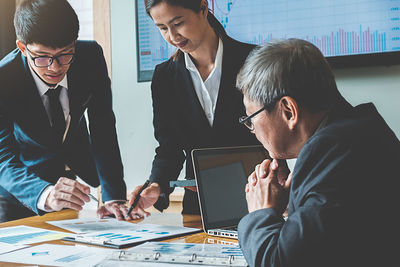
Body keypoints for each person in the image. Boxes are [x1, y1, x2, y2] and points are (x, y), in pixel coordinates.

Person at [235, 39, 400, 267]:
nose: (251, 130)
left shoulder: (331, 151)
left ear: (288, 110)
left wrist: (261, 212)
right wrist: (292, 206)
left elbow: (276, 263)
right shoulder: (360, 129)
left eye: (251, 119)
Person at [0, 0, 131, 222]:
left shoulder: (90, 58)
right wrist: (44, 193)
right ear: (22, 48)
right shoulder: (4, 78)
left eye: (64, 54)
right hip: (21, 190)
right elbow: (2, 157)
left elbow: (103, 127)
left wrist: (114, 195)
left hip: (68, 184)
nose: (55, 67)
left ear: (75, 44)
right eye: (42, 57)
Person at [129, 0, 259, 217]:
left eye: (178, 23)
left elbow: (272, 139)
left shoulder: (254, 61)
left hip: (254, 201)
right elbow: (169, 149)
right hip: (199, 210)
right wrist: (156, 185)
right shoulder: (165, 77)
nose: (172, 36)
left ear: (203, 8)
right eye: (162, 28)